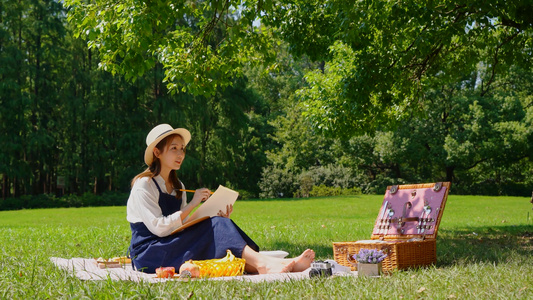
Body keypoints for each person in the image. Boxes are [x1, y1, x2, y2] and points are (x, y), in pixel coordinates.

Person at [127, 124, 315, 274]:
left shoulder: (179, 186)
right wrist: (194, 204)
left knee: (219, 225)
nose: (180, 154)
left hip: (171, 242)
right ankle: (268, 264)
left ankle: (273, 264)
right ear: (157, 153)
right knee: (216, 228)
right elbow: (160, 228)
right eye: (174, 148)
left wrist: (209, 214)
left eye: (183, 149)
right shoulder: (144, 185)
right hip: (150, 252)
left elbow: (178, 227)